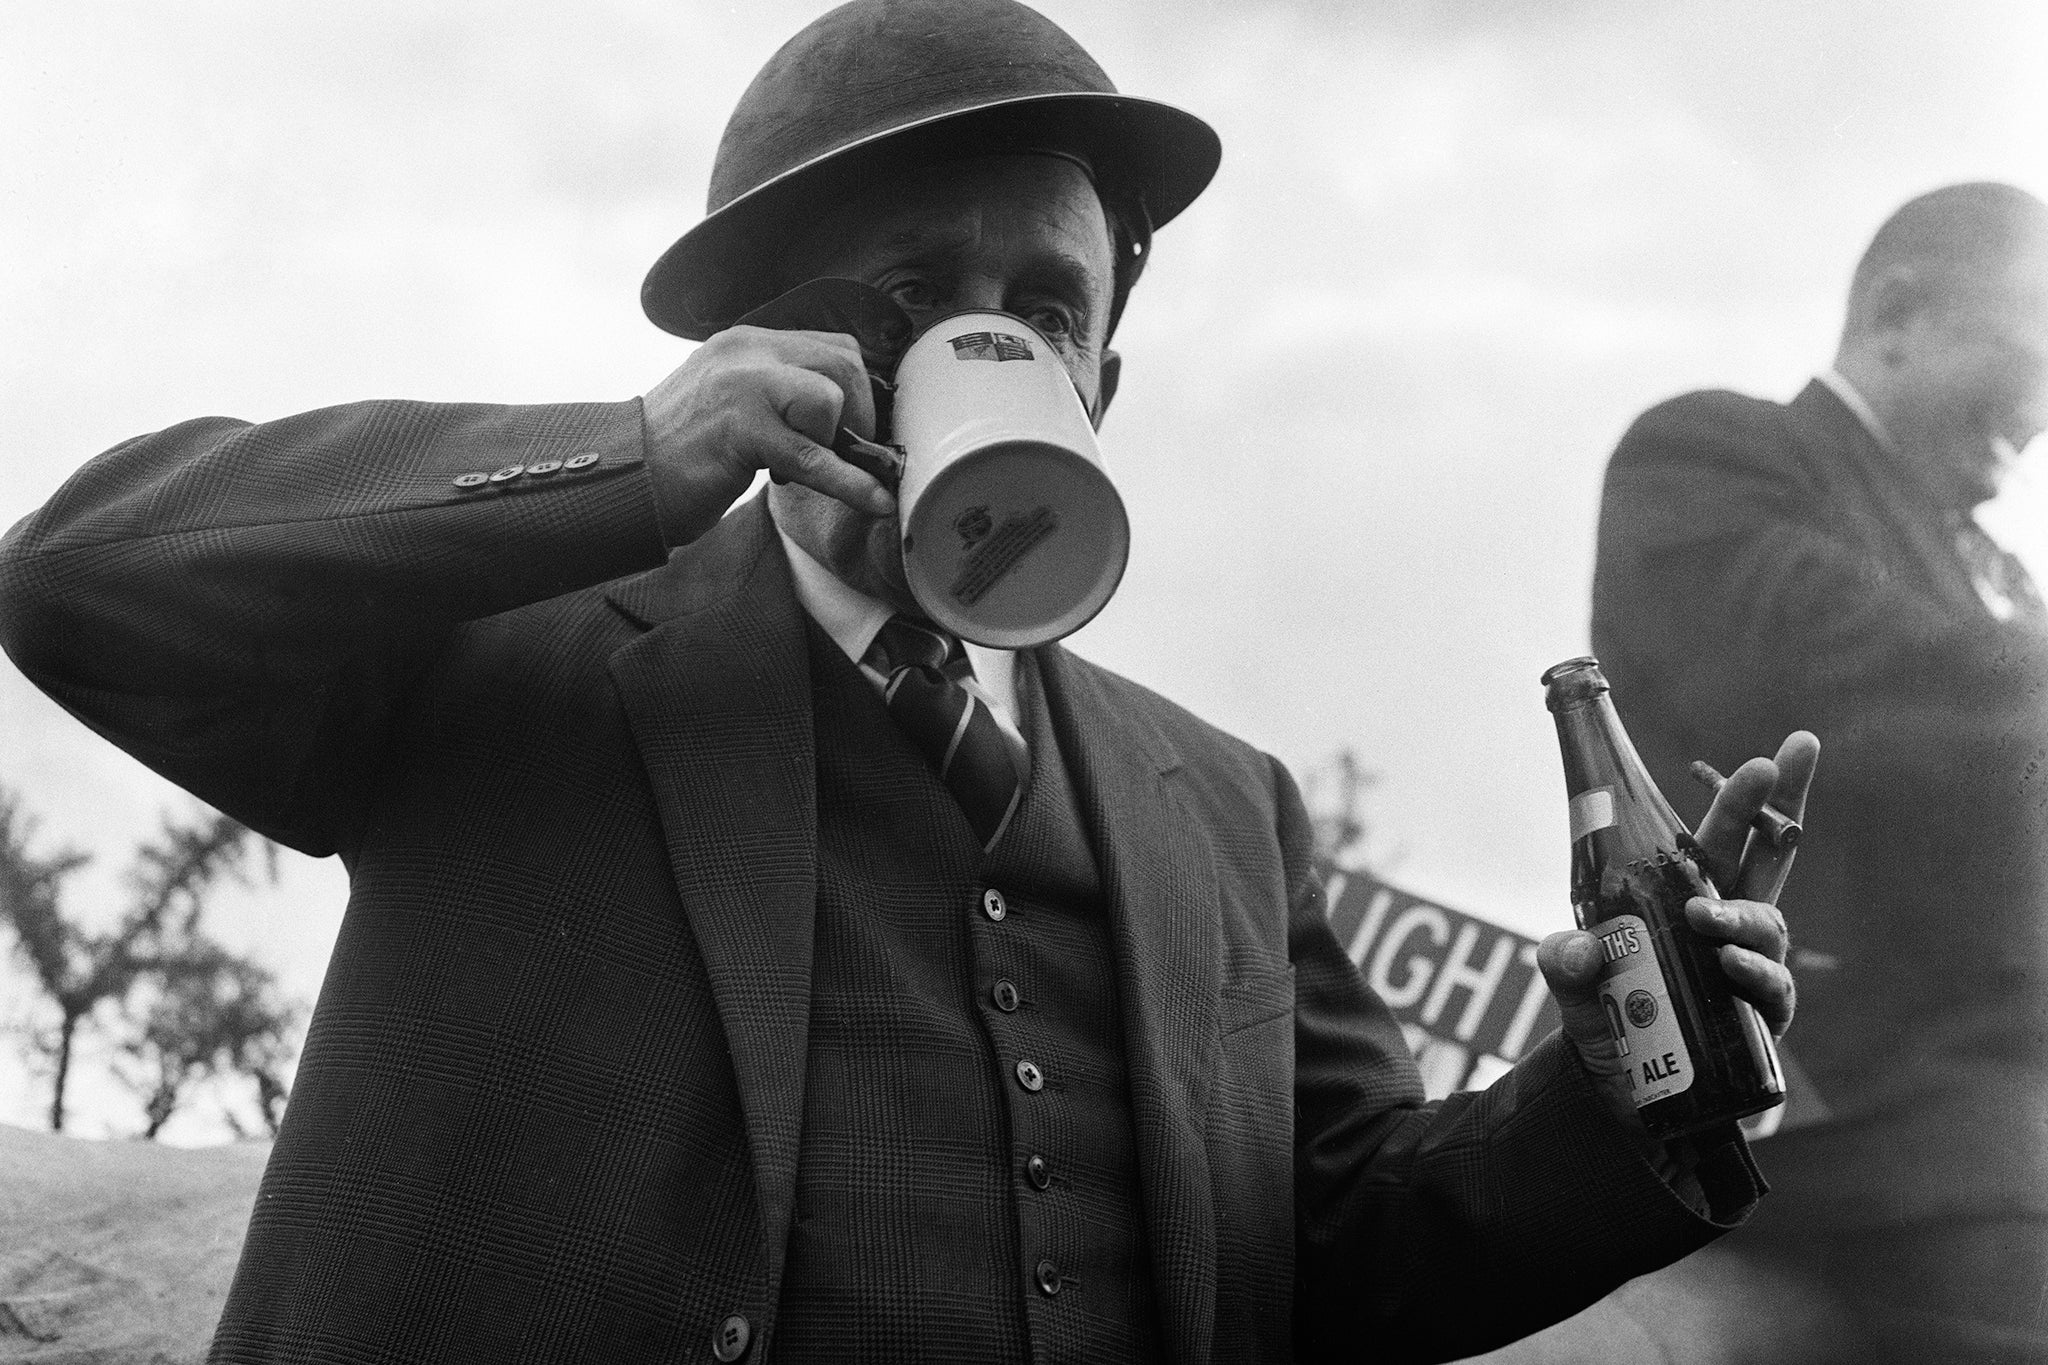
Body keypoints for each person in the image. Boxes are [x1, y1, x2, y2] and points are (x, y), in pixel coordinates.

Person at [0, 2, 1809, 1361]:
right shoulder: (516, 651)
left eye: (1046, 303)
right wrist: (624, 460)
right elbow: (79, 582)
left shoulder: (1223, 807)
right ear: (762, 345)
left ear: (1102, 378)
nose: (989, 336)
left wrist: (1614, 1095)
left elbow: (1340, 1245)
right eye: (912, 296)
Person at [1591, 182, 2048, 1363]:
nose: (2038, 416)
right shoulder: (1712, 454)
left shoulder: (2000, 582)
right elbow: (1853, 685)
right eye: (2023, 364)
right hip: (1845, 1106)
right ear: (1896, 313)